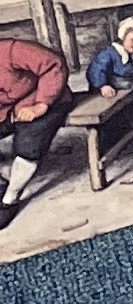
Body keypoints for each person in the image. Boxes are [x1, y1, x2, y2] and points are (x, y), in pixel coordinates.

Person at [0, 33, 72, 229]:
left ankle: (9, 200)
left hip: (45, 100)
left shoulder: (11, 50)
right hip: (7, 110)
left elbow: (54, 64)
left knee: (28, 144)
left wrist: (41, 104)